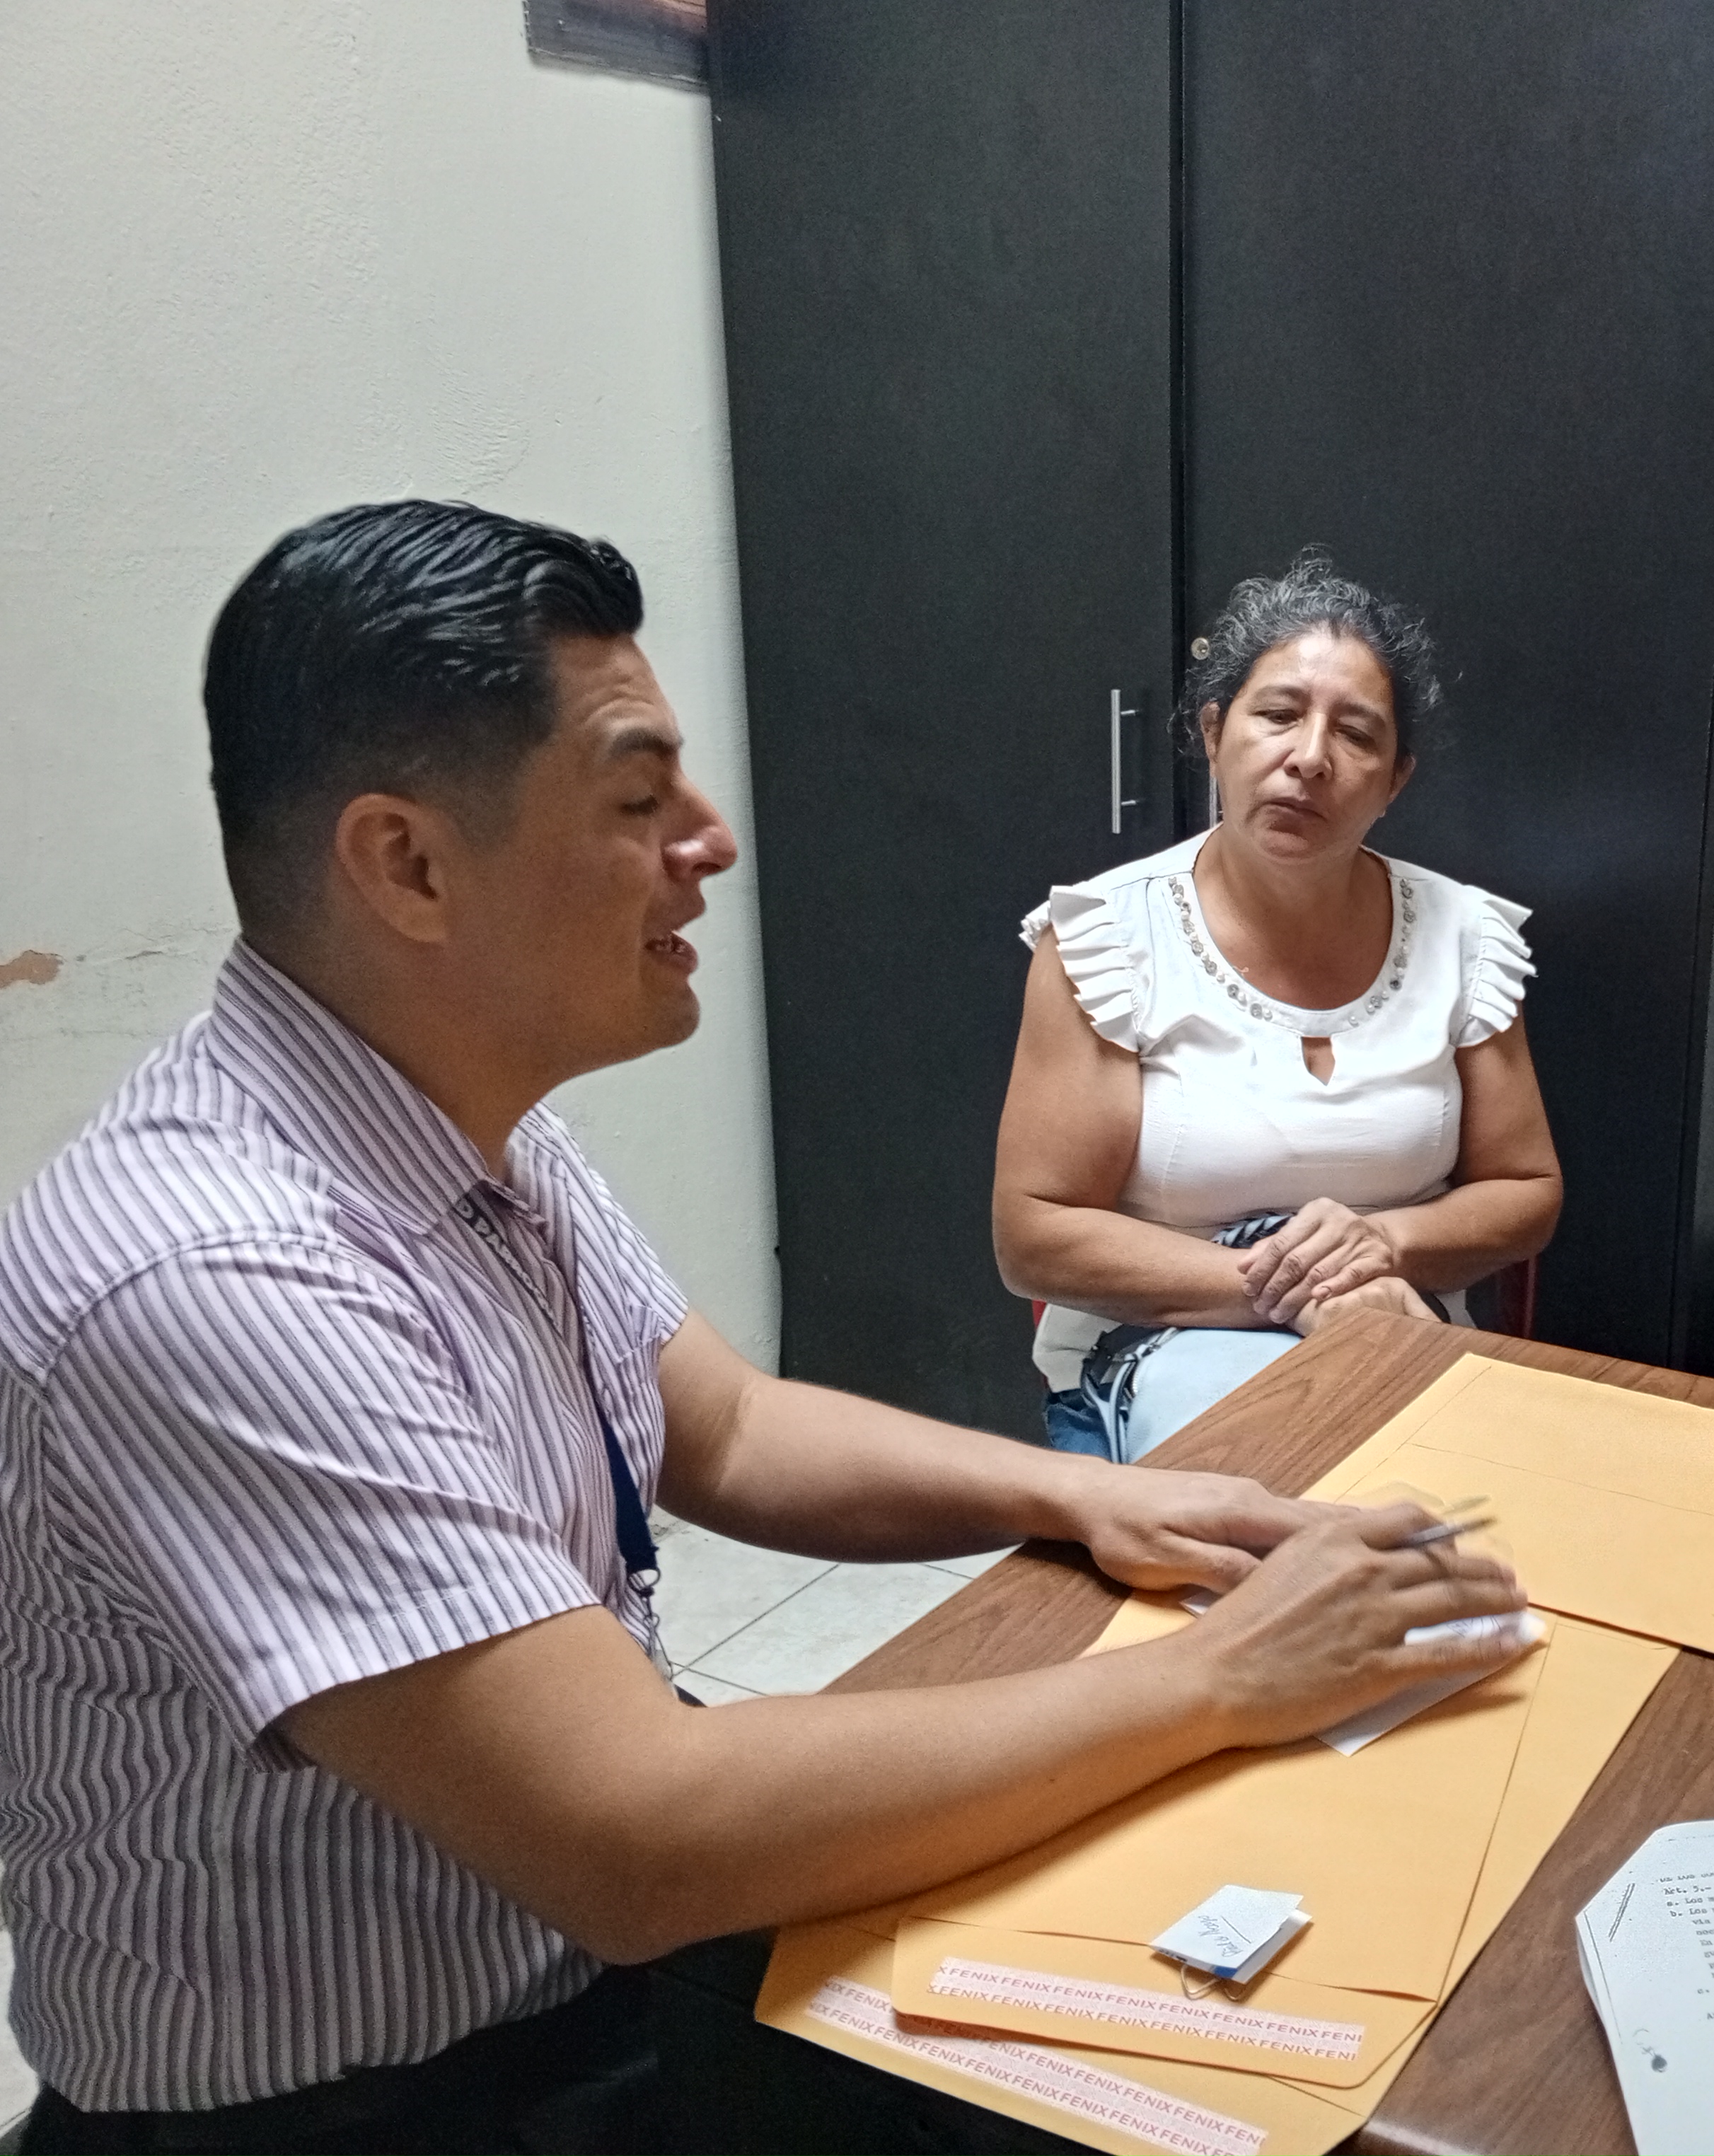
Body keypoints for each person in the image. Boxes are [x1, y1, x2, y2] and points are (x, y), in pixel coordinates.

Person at [0, 503, 1528, 2153]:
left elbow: (723, 1425)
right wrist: (1227, 1673)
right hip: (383, 2104)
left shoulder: (469, 1121)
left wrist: (1095, 1497)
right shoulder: (222, 1275)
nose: (713, 839)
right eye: (638, 797)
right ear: (409, 864)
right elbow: (638, 1842)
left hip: (591, 1975)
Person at [993, 552, 1563, 1461]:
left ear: (1395, 779)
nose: (1308, 758)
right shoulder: (1108, 939)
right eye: (1278, 715)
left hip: (1397, 1333)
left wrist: (1382, 1244)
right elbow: (1036, 1236)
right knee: (1287, 1508)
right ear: (1214, 732)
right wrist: (1302, 1292)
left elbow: (1524, 1191)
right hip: (1154, 1345)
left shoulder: (1461, 935)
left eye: (1356, 734)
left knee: (1525, 1516)